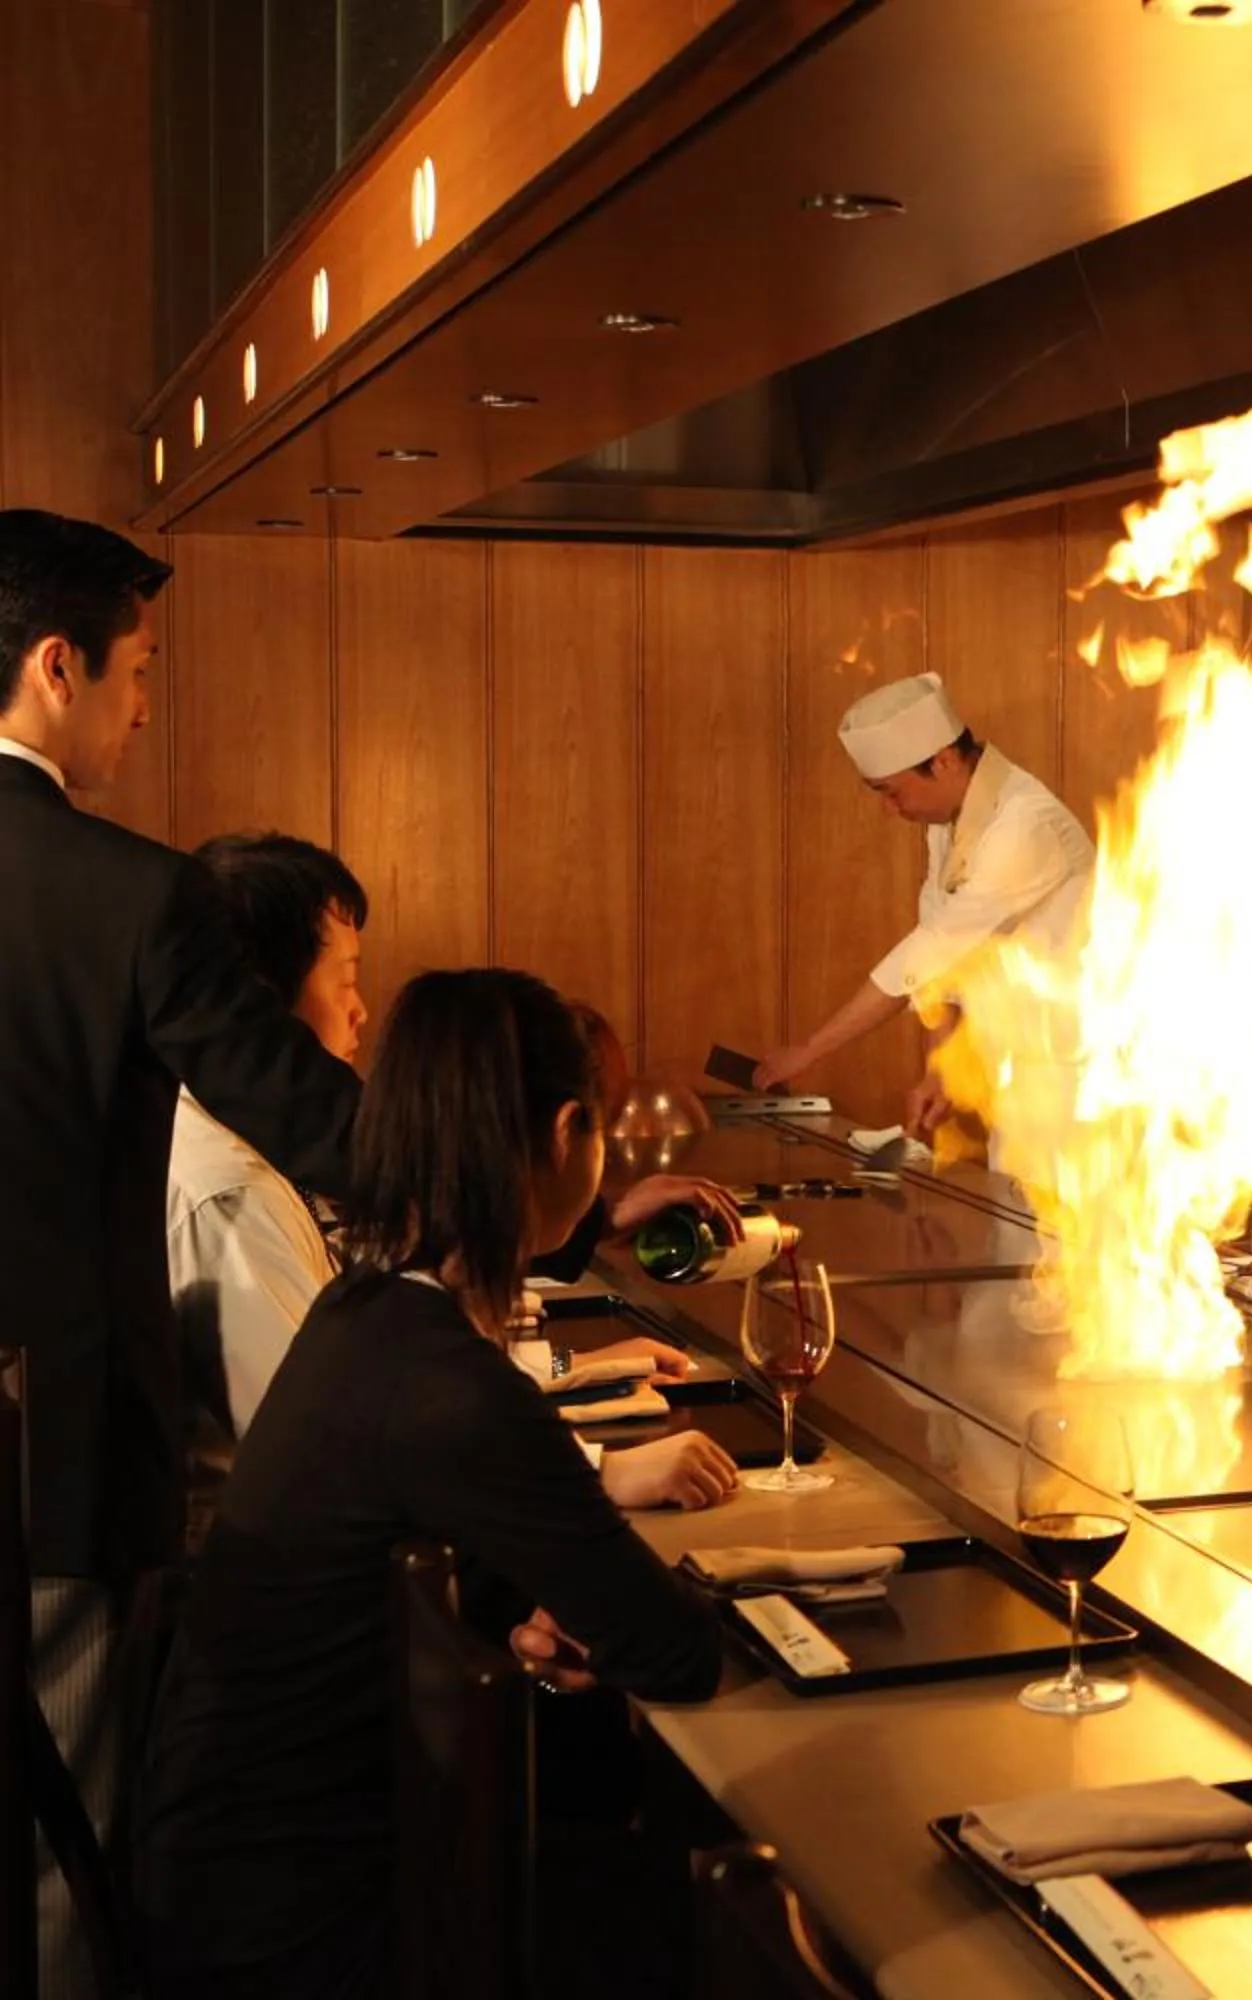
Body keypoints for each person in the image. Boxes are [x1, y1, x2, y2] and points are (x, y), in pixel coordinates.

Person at [137, 970, 727, 1998]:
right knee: (705, 1919)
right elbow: (677, 1649)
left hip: (229, 1863)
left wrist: (514, 1613)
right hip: (297, 1930)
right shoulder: (448, 1385)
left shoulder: (370, 1310)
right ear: (566, 1130)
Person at [0, 510, 363, 1992]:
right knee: (63, 1854)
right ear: (54, 667)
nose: (145, 708)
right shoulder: (130, 893)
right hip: (56, 1465)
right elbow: (305, 1110)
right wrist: (547, 1189)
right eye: (136, 672)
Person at [169, 836, 738, 1522]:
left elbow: (399, 1390)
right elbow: (329, 1445)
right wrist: (595, 1471)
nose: (360, 1013)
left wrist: (572, 1370)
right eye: (346, 981)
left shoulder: (249, 1141)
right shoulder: (230, 1191)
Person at [755, 673, 1091, 1147]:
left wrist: (809, 1051)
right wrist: (941, 1066)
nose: (890, 810)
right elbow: (939, 960)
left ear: (945, 761)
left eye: (892, 791)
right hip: (1024, 1069)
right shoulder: (948, 820)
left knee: (1055, 1217)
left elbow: (929, 952)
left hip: (1080, 1076)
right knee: (1014, 1216)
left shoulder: (1024, 825)